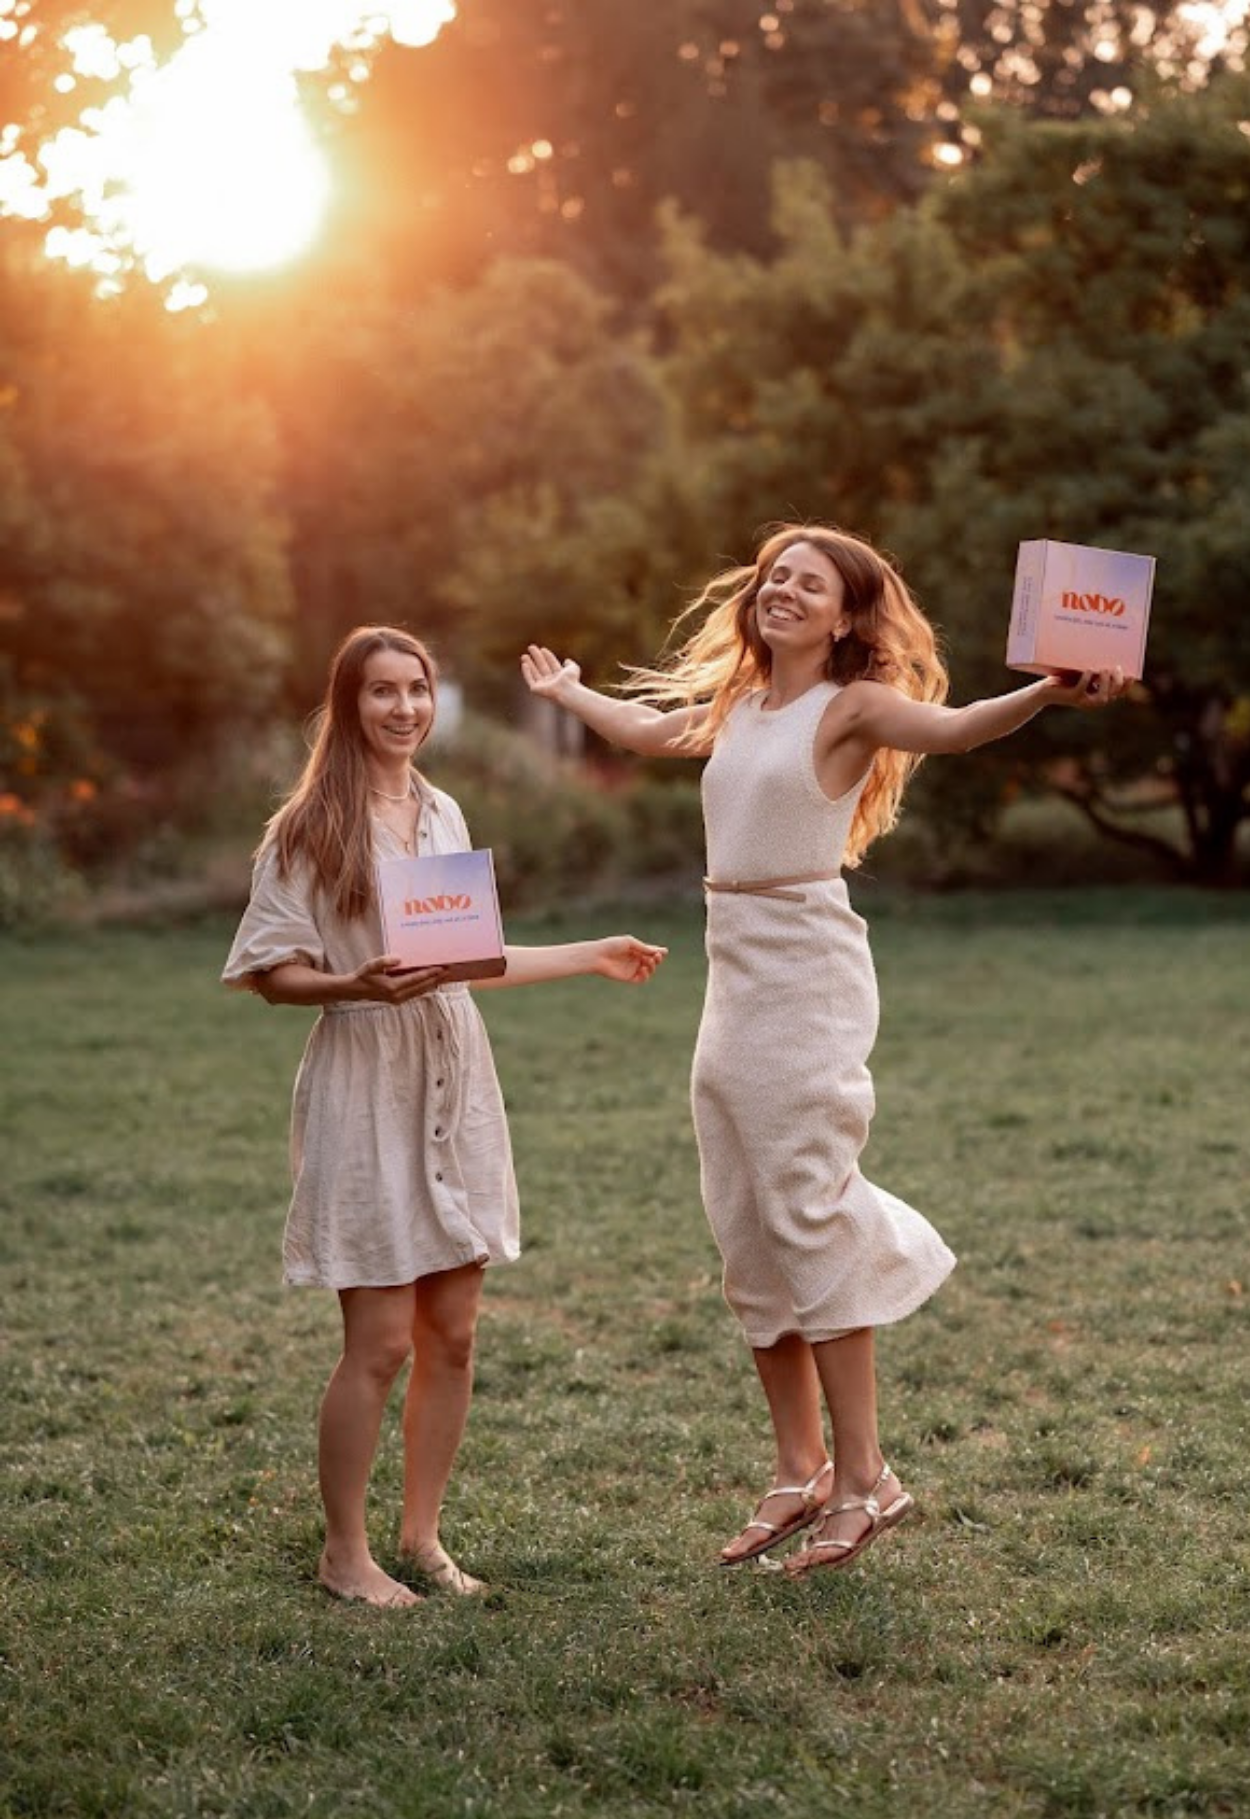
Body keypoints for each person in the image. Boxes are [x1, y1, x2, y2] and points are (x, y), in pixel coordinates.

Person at [521, 523, 1125, 1577]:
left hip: (805, 974)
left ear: (846, 615)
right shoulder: (740, 706)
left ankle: (865, 1476)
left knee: (805, 1198)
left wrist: (1042, 698)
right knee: (745, 1216)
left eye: (808, 583)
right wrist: (570, 694)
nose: (782, 592)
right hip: (734, 975)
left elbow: (957, 726)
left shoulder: (850, 707)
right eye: (773, 578)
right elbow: (643, 729)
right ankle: (799, 1468)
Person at [222, 625, 666, 1609]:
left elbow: (471, 959)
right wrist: (359, 983)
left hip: (452, 1079)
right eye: (382, 691)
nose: (405, 708)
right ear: (349, 704)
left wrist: (591, 951)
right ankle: (346, 1553)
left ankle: (420, 1537)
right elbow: (267, 973)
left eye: (417, 688)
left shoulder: (444, 812)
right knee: (378, 1342)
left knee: (453, 1332)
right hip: (364, 1077)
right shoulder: (307, 829)